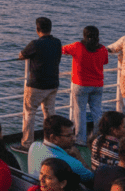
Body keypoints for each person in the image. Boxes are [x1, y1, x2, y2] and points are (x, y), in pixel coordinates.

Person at [12, 17, 62, 154]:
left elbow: (22, 55)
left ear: (37, 29)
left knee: (29, 113)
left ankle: (27, 144)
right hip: (53, 84)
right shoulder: (57, 42)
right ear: (50, 28)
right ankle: (52, 142)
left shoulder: (35, 44)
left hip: (37, 84)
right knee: (50, 113)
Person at [63, 25, 109, 146]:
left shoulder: (77, 46)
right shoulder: (103, 49)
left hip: (81, 84)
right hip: (98, 85)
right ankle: (99, 137)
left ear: (84, 35)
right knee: (97, 112)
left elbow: (62, 49)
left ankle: (80, 139)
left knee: (80, 112)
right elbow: (105, 61)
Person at [28, 115, 94, 186]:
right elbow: (91, 177)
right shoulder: (70, 162)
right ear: (54, 138)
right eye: (68, 136)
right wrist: (79, 158)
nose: (74, 138)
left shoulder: (34, 146)